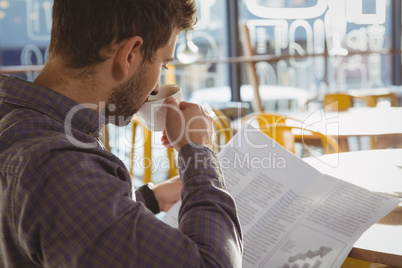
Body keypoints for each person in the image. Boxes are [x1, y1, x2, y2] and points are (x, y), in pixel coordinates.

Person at [0, 0, 242, 267]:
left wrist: (150, 198)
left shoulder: (18, 121)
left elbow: (66, 223)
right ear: (129, 54)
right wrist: (199, 152)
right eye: (162, 65)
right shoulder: (59, 166)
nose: (157, 86)